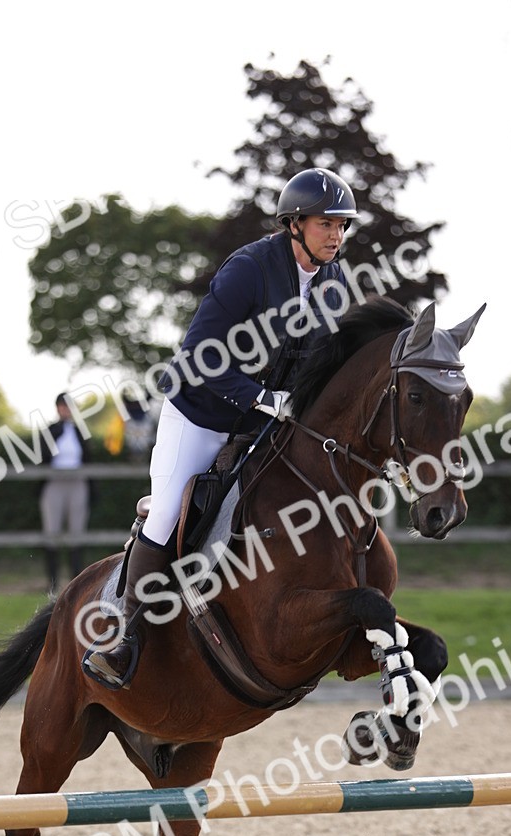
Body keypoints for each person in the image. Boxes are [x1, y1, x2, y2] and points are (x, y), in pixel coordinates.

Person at [83, 167, 357, 689]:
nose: (337, 236)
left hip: (263, 423)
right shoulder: (249, 269)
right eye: (327, 224)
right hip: (201, 415)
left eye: (342, 226)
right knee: (166, 510)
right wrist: (261, 397)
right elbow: (198, 357)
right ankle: (124, 636)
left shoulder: (334, 282)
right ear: (295, 223)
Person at [39, 392, 92, 591]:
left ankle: (75, 581)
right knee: (51, 531)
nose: (65, 410)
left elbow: (88, 457)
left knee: (76, 531)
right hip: (55, 480)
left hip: (77, 481)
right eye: (62, 406)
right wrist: (58, 433)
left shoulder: (79, 431)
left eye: (68, 406)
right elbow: (43, 455)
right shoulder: (51, 430)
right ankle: (52, 582)